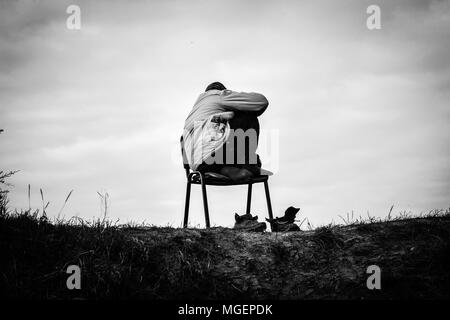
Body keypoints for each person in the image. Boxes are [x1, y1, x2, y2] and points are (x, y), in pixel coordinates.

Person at [183, 82, 268, 182]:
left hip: (200, 167)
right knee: (247, 116)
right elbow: (262, 102)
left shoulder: (194, 112)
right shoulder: (218, 95)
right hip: (213, 155)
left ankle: (226, 169)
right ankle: (248, 164)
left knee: (220, 130)